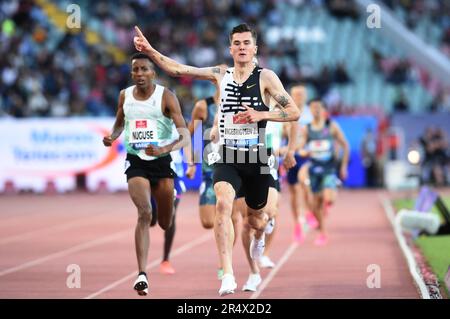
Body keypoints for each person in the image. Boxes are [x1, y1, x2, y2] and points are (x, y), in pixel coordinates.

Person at [134, 23, 300, 296]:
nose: (242, 47)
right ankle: (228, 274)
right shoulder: (220, 74)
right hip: (228, 154)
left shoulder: (266, 77)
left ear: (255, 48)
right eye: (237, 43)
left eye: (247, 43)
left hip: (257, 157)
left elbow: (293, 112)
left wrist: (262, 115)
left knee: (256, 220)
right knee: (223, 204)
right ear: (230, 48)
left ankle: (259, 236)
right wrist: (150, 51)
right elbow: (179, 69)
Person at [102, 53, 189, 296]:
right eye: (135, 70)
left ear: (153, 73)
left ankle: (165, 210)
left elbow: (186, 136)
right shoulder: (125, 96)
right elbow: (120, 123)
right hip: (136, 161)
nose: (139, 74)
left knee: (164, 222)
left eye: (144, 70)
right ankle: (142, 274)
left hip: (162, 162)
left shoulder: (166, 97)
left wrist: (164, 148)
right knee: (144, 213)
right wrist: (112, 136)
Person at [186, 87, 243, 280]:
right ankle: (223, 241)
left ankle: (224, 262)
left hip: (232, 166)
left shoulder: (239, 103)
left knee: (232, 214)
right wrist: (191, 162)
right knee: (208, 221)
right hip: (209, 169)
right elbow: (192, 133)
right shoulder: (204, 106)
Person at [297, 98, 349, 246]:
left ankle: (327, 200)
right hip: (314, 167)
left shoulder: (331, 126)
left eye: (319, 107)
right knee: (315, 204)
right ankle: (322, 233)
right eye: (313, 108)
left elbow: (345, 145)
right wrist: (302, 151)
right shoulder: (307, 128)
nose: (316, 110)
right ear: (310, 110)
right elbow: (301, 146)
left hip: (329, 168)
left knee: (329, 199)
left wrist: (343, 166)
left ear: (324, 110)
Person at [283, 85, 315, 242]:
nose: (298, 97)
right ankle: (297, 222)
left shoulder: (310, 113)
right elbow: (284, 132)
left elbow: (314, 134)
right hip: (291, 155)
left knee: (305, 182)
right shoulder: (287, 111)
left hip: (306, 155)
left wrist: (306, 147)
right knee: (294, 190)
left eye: (301, 94)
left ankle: (308, 211)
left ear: (306, 95)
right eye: (295, 94)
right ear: (291, 95)